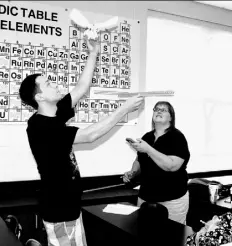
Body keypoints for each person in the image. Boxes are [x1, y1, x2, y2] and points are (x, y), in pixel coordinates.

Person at [19, 39, 144, 246]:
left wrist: (93, 52)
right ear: (39, 96)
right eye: (48, 84)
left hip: (69, 208)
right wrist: (123, 110)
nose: (55, 84)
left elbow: (82, 87)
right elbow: (89, 135)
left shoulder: (55, 115)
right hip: (60, 211)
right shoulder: (40, 126)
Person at [123, 101, 190, 224]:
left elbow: (172, 166)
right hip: (146, 198)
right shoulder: (147, 137)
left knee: (173, 237)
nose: (158, 111)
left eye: (163, 110)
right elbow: (139, 160)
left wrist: (148, 149)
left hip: (172, 200)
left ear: (171, 117)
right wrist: (133, 172)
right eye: (156, 109)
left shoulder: (177, 137)